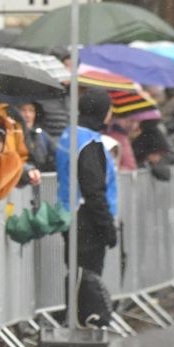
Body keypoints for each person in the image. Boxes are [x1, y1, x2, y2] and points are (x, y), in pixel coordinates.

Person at [57, 90, 119, 328]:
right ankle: (88, 325)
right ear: (101, 111)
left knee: (76, 273)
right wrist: (107, 227)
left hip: (70, 215)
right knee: (88, 276)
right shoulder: (89, 143)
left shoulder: (69, 136)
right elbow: (94, 190)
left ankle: (74, 321)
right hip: (87, 219)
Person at [19, 101, 56, 172]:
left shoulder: (41, 133)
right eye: (23, 110)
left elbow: (56, 151)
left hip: (42, 175)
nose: (27, 115)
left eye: (31, 110)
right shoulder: (14, 134)